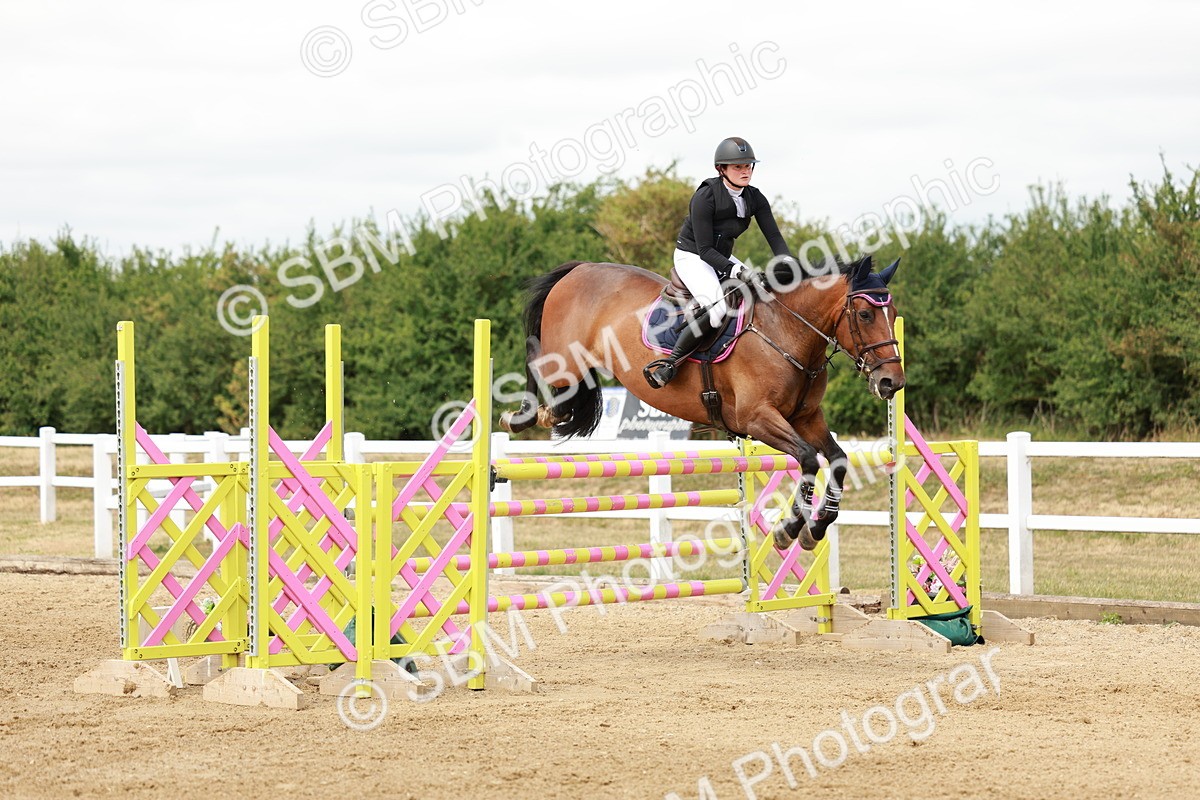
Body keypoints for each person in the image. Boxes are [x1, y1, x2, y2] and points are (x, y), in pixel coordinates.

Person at [643, 136, 795, 388]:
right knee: (717, 308)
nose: (745, 171)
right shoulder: (705, 197)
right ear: (721, 169)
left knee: (760, 293)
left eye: (748, 166)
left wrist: (788, 260)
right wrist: (738, 269)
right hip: (693, 255)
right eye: (738, 167)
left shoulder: (754, 198)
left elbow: (774, 236)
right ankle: (671, 364)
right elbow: (704, 250)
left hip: (721, 256)